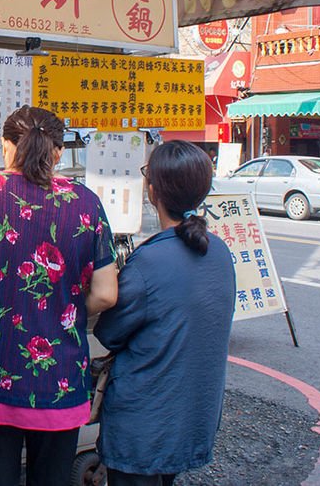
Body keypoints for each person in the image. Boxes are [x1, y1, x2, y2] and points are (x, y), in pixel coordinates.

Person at [0, 106, 119, 486]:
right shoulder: (85, 203)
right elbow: (105, 294)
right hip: (60, 379)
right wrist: (62, 310)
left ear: (6, 146)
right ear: (57, 152)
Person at [94, 141, 236, 486]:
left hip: (144, 420)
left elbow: (108, 332)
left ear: (152, 190)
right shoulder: (219, 252)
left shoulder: (149, 263)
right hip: (191, 412)